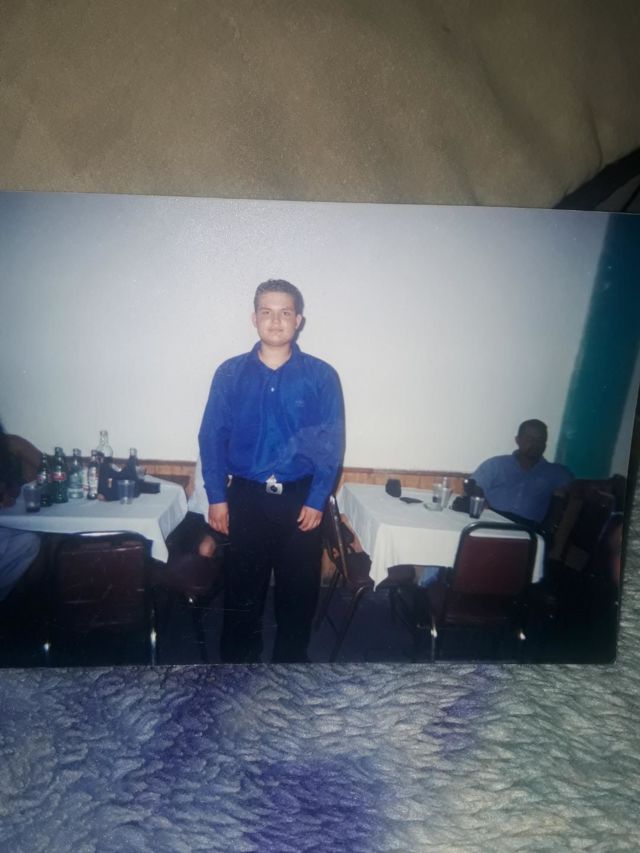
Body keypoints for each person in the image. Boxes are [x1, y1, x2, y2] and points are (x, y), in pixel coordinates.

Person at [198, 279, 345, 663]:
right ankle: (237, 674)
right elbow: (211, 436)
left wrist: (317, 499)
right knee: (242, 591)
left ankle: (290, 673)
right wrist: (216, 497)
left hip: (301, 500)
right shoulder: (229, 373)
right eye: (267, 312)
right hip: (245, 498)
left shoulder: (322, 376)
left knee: (298, 594)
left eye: (284, 313)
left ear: (298, 320)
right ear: (254, 318)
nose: (276, 321)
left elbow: (331, 443)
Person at [471, 419, 573, 532]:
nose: (535, 444)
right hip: (490, 524)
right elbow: (473, 486)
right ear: (517, 440)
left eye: (540, 439)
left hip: (529, 532)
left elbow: (576, 494)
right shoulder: (496, 465)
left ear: (545, 444)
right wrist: (483, 504)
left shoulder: (556, 472)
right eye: (529, 439)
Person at [0, 420, 42, 603]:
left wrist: (10, 490)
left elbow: (45, 464)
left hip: (9, 521)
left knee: (30, 540)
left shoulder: (10, 443)